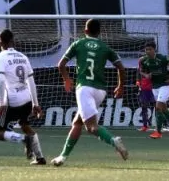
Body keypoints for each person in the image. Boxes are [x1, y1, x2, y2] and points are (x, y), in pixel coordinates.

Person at [51, 18, 129, 166]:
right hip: (100, 91)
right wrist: (121, 86)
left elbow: (61, 64)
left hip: (84, 88)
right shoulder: (105, 48)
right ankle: (63, 156)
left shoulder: (78, 44)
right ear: (99, 32)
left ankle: (114, 141)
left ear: (85, 31)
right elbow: (121, 68)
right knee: (77, 123)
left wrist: (67, 79)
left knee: (91, 127)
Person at [0, 29, 46, 165]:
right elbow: (31, 81)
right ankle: (40, 158)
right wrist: (35, 103)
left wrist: (2, 103)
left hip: (12, 100)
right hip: (27, 99)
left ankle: (23, 139)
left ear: (0, 42)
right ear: (13, 41)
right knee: (25, 125)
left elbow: (1, 80)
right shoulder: (23, 56)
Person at [139, 41, 169, 138]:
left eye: (150, 49)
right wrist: (146, 75)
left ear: (154, 50)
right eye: (146, 50)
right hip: (154, 86)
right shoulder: (144, 60)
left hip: (165, 85)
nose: (148, 51)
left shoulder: (162, 58)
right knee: (163, 109)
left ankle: (158, 132)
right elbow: (141, 71)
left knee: (158, 107)